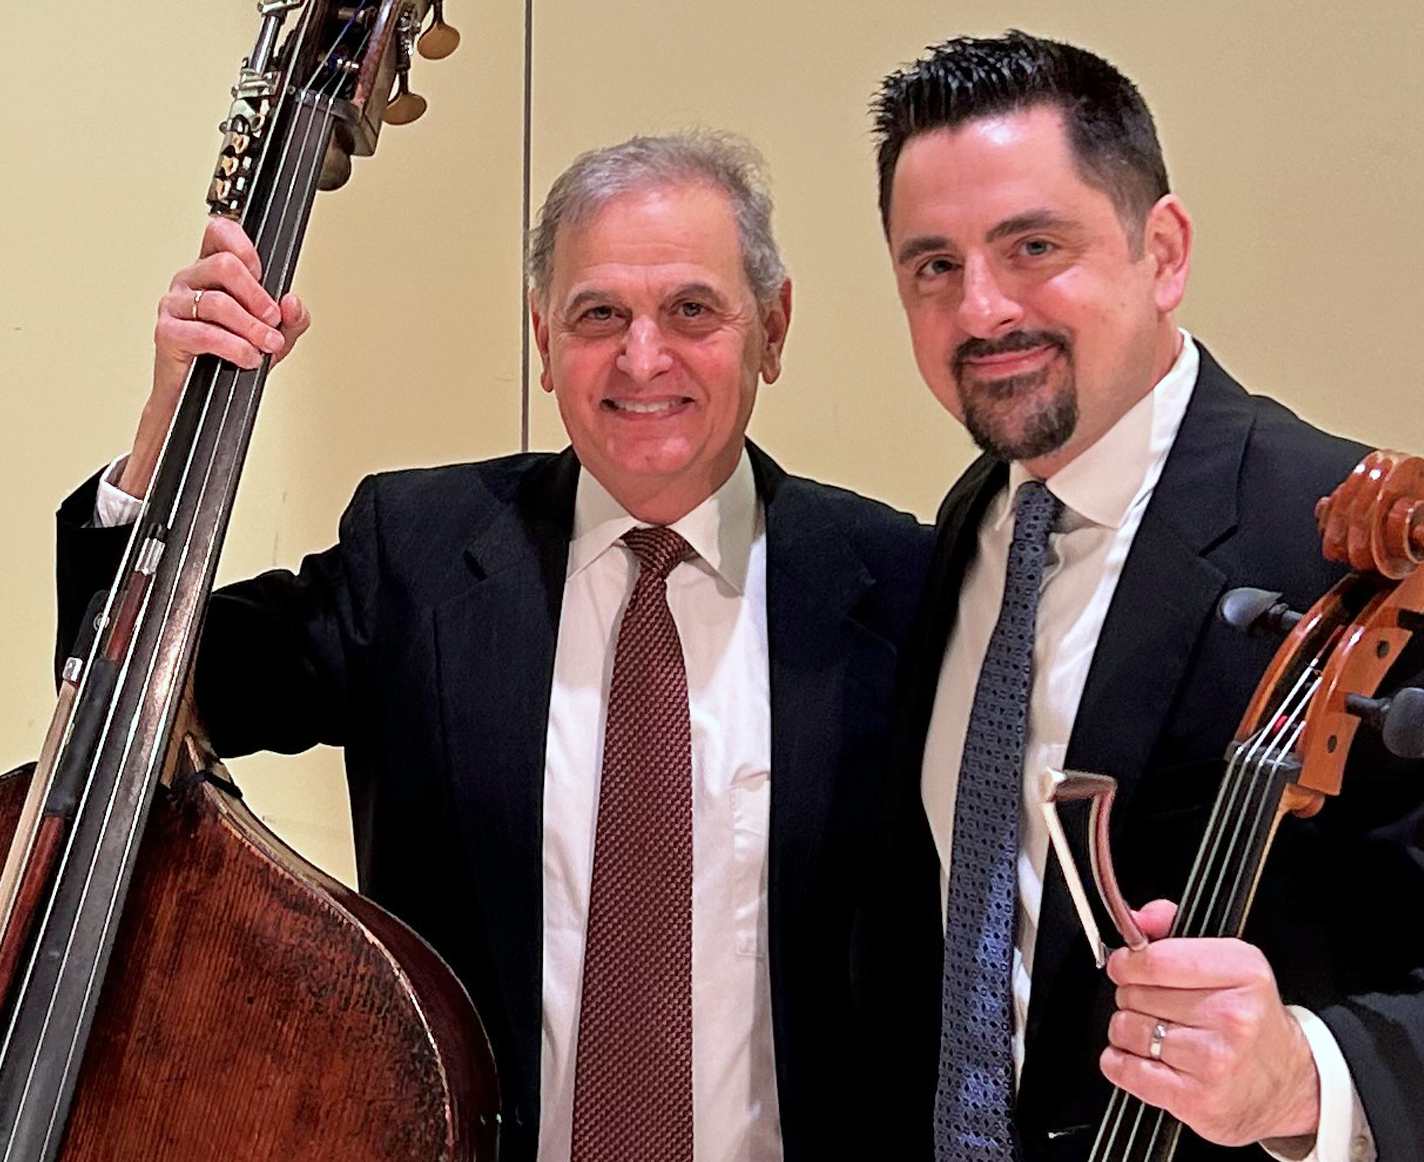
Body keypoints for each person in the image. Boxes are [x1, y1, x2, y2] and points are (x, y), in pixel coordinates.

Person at [852, 31, 1424, 1162]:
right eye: (933, 266)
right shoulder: (973, 531)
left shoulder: (1374, 554)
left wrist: (1307, 1075)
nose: (983, 310)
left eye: (1034, 245)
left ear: (1164, 249)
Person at [55, 131, 931, 1162]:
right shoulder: (417, 555)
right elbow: (138, 695)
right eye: (597, 314)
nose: (642, 356)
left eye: (692, 310)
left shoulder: (900, 582)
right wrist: (174, 417)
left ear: (772, 328)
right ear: (542, 337)